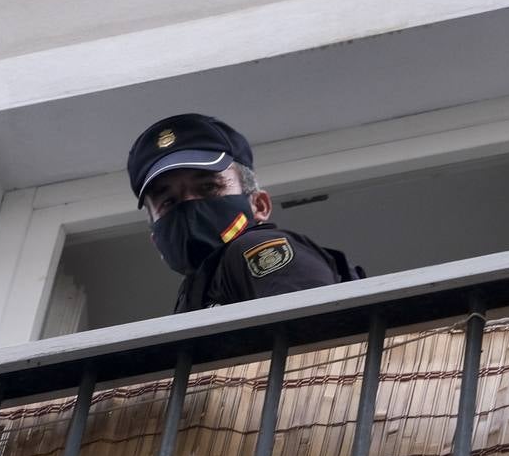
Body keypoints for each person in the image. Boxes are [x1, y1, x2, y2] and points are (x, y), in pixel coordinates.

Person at [127, 113, 363, 312]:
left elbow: (314, 347)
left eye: (208, 187)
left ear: (259, 205)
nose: (189, 206)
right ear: (156, 241)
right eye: (169, 201)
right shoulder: (192, 294)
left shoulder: (256, 248)